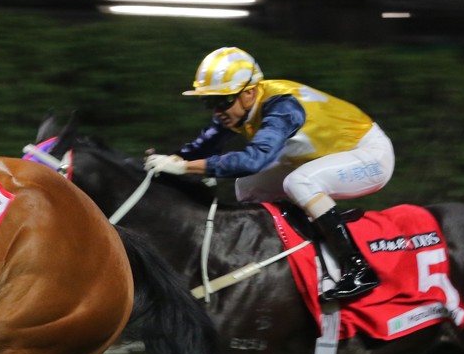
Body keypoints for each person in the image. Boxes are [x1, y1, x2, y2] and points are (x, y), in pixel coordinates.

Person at [145, 47, 394, 300]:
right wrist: (167, 160)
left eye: (222, 101)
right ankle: (267, 255)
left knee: (299, 182)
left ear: (249, 93)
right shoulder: (240, 107)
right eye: (209, 102)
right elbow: (202, 147)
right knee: (247, 186)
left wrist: (187, 167)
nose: (217, 111)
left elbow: (255, 159)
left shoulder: (282, 107)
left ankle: (359, 269)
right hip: (322, 157)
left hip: (370, 154)